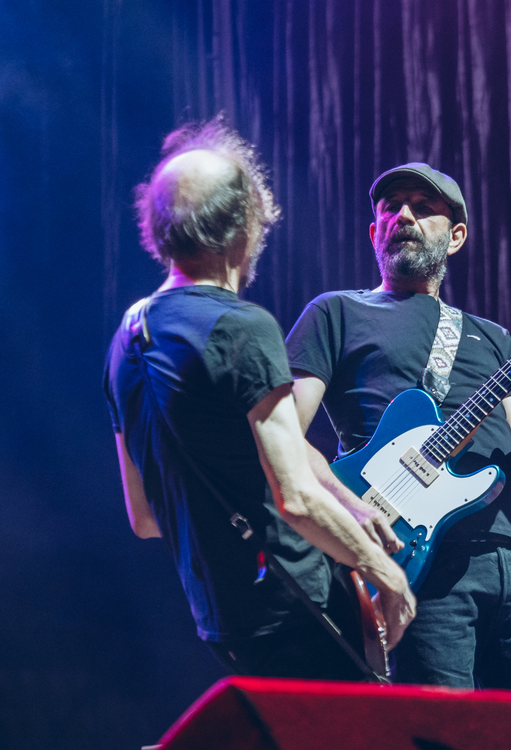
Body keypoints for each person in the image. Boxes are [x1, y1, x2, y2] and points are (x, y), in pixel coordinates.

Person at [103, 119, 415, 681]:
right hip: (299, 612)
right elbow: (292, 497)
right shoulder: (242, 327)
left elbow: (145, 516)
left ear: (157, 230)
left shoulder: (127, 339)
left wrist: (347, 501)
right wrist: (381, 571)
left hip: (223, 622)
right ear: (245, 227)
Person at [284, 162, 511, 727]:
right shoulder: (337, 312)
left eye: (423, 206)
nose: (404, 216)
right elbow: (285, 436)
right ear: (374, 233)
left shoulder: (494, 338)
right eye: (391, 207)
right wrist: (354, 522)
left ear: (457, 236)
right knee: (445, 740)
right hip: (416, 563)